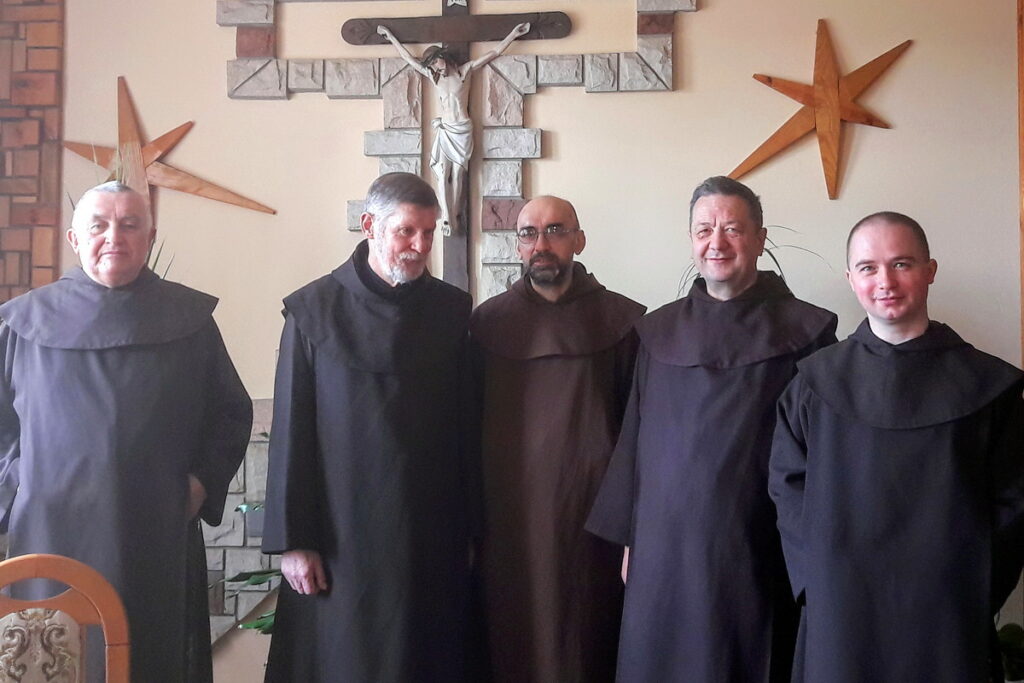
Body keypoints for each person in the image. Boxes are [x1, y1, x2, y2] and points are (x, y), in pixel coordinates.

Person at [586, 176, 838, 682]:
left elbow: (821, 458)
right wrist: (631, 538)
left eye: (732, 229)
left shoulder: (807, 334)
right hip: (663, 547)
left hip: (756, 544)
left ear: (760, 239)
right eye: (704, 230)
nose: (716, 242)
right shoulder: (656, 334)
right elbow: (635, 439)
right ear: (691, 240)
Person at [0, 181, 253, 682]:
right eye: (98, 225)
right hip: (51, 528)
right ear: (75, 239)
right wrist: (19, 481)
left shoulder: (188, 320)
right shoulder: (24, 322)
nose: (113, 237)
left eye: (129, 225)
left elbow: (229, 412)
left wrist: (201, 484)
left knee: (150, 658)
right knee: (54, 658)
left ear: (149, 237)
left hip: (153, 526)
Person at [768, 212, 1024, 682]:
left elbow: (1013, 500)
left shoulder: (990, 386)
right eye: (868, 268)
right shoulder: (812, 385)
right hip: (840, 609)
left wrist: (974, 585)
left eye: (901, 263)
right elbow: (787, 486)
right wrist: (815, 582)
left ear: (930, 270)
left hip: (947, 611)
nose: (885, 281)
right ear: (851, 279)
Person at [261, 172, 477, 682]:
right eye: (406, 231)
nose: (420, 246)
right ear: (369, 226)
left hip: (430, 531)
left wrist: (473, 529)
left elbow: (467, 427)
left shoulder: (451, 310)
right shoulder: (312, 311)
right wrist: (294, 542)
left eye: (429, 232)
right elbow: (292, 431)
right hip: (342, 535)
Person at [470, 196, 645, 682]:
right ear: (517, 245)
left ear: (579, 240)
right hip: (508, 521)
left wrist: (633, 525)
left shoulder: (625, 323)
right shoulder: (486, 324)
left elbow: (639, 434)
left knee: (586, 640)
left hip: (593, 520)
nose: (541, 244)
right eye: (529, 233)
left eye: (555, 230)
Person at [377, 22, 530, 236]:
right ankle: (447, 218)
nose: (435, 68)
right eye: (431, 66)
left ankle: (455, 213)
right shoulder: (434, 78)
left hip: (463, 129)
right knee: (442, 174)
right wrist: (390, 37)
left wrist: (513, 34)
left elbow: (493, 53)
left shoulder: (464, 72)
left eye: (436, 62)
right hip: (446, 129)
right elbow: (409, 59)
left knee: (458, 174)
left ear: (443, 56)